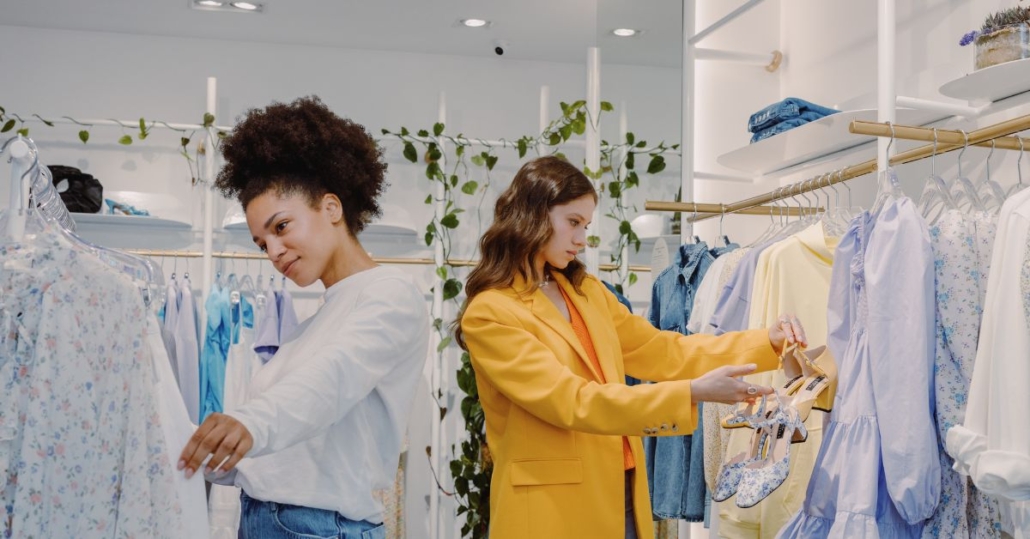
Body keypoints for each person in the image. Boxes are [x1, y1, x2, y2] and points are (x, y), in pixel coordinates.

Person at [455, 156, 807, 539]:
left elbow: (662, 349)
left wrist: (763, 342)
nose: (581, 239)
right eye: (573, 222)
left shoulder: (586, 292)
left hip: (621, 491)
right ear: (533, 216)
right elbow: (571, 400)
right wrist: (692, 392)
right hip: (548, 510)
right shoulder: (490, 313)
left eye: (585, 226)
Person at [177, 96, 429, 539]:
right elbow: (299, 447)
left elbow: (330, 381)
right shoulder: (313, 325)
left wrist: (250, 424)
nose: (273, 252)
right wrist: (212, 456)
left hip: (316, 528)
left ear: (331, 208)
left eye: (280, 227)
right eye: (261, 244)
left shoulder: (391, 297)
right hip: (268, 519)